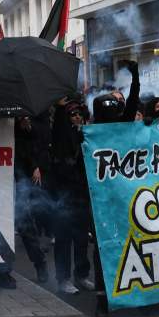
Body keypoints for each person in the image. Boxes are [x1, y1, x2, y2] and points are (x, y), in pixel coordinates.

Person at [49, 97, 92, 294]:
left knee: (82, 238)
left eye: (79, 115)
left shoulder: (88, 136)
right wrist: (59, 110)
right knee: (64, 239)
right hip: (63, 196)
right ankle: (63, 278)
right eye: (72, 115)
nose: (76, 118)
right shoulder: (61, 136)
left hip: (82, 194)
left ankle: (81, 275)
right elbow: (58, 130)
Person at [15, 113, 51, 284]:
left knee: (25, 223)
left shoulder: (24, 121)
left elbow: (33, 144)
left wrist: (25, 129)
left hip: (18, 175)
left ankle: (40, 263)